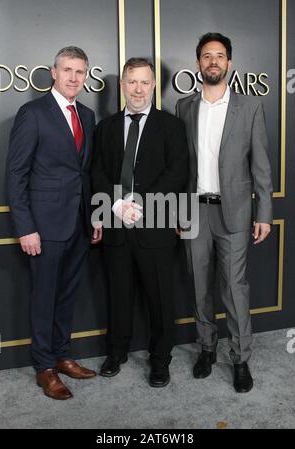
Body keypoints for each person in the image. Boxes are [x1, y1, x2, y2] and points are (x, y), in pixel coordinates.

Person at [176, 33, 273, 393]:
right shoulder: (184, 107)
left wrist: (263, 212)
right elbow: (179, 168)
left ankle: (241, 358)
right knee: (199, 286)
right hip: (194, 211)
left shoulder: (250, 108)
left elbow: (261, 166)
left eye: (219, 56)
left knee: (234, 289)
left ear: (229, 63)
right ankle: (206, 348)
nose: (213, 61)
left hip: (234, 213)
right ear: (198, 63)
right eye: (206, 56)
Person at [6, 46, 98, 400]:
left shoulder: (86, 115)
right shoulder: (33, 113)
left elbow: (84, 173)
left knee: (68, 294)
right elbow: (16, 174)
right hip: (43, 226)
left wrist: (94, 217)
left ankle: (62, 355)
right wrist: (26, 227)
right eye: (68, 70)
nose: (74, 77)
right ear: (54, 73)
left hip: (78, 222)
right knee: (44, 296)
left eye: (80, 72)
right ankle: (44, 366)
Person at [91, 58, 188, 387]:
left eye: (144, 82)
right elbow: (97, 171)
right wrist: (118, 205)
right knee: (118, 295)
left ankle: (160, 360)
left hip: (155, 226)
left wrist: (141, 204)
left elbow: (176, 172)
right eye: (132, 81)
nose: (138, 88)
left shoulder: (172, 126)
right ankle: (115, 352)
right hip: (117, 225)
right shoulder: (105, 127)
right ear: (122, 85)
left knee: (160, 299)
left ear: (153, 86)